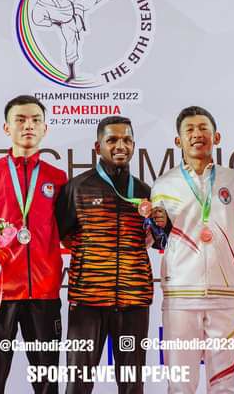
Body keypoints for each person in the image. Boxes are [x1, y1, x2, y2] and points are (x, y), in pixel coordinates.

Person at [0, 95, 67, 394]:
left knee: (47, 384)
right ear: (7, 128)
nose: (28, 125)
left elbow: (68, 231)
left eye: (35, 120)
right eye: (20, 119)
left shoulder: (57, 178)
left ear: (45, 128)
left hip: (43, 293)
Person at [55, 115, 165, 394]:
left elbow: (159, 241)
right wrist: (95, 261)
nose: (120, 146)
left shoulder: (145, 192)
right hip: (88, 302)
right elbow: (64, 236)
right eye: (112, 140)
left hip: (134, 301)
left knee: (132, 384)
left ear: (134, 145)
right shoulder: (77, 188)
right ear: (98, 146)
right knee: (78, 383)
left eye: (127, 140)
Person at [150, 106, 234, 394]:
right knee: (180, 385)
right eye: (189, 130)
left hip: (226, 296)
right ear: (178, 141)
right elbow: (156, 238)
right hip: (181, 297)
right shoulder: (164, 184)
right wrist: (157, 225)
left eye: (203, 128)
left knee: (224, 385)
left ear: (216, 137)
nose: (197, 134)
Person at [32, 0, 130, 83]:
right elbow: (37, 20)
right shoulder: (39, 8)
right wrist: (54, 23)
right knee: (71, 46)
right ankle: (72, 74)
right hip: (66, 24)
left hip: (75, 9)